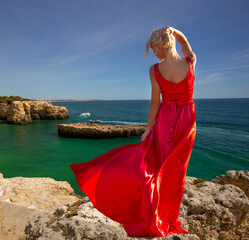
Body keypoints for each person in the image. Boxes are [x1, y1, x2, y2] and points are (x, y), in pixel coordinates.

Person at [69, 26, 197, 238]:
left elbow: (155, 102)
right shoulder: (190, 62)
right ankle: (168, 217)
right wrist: (176, 32)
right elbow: (185, 45)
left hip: (165, 119)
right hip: (187, 122)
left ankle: (151, 212)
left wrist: (149, 128)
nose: (153, 54)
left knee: (154, 166)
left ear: (160, 45)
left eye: (153, 48)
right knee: (176, 172)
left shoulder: (155, 70)